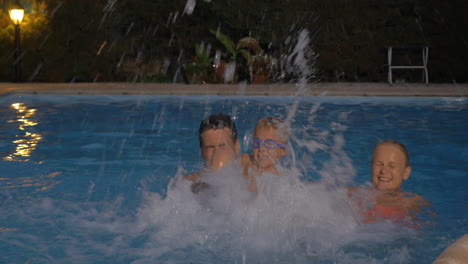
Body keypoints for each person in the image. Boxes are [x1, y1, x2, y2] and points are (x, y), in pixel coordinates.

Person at [349, 140, 431, 227]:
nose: (384, 171)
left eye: (392, 166)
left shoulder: (413, 204)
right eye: (379, 164)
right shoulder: (354, 194)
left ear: (406, 172)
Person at [184, 114, 240, 193]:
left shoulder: (252, 177)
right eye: (210, 147)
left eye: (222, 145)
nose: (217, 153)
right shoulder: (191, 184)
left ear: (236, 147)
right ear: (201, 152)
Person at [241, 116, 288, 192]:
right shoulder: (246, 159)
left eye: (269, 144)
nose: (261, 149)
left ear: (283, 150)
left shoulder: (282, 177)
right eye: (257, 142)